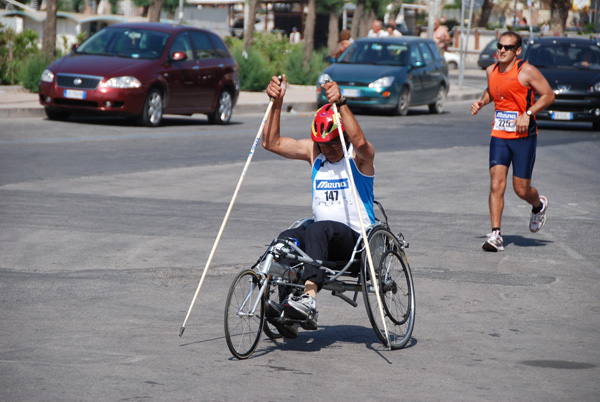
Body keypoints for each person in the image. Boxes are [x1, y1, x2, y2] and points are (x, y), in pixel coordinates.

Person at [263, 75, 375, 337]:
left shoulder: (358, 159)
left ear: (342, 135)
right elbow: (271, 143)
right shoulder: (317, 155)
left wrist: (342, 103)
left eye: (334, 142)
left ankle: (309, 300)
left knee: (317, 229)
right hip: (321, 237)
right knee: (287, 240)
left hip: (356, 242)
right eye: (323, 145)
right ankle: (288, 308)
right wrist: (277, 102)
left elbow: (360, 143)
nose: (329, 149)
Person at [471, 31, 555, 252]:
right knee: (496, 183)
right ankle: (496, 235)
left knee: (521, 189)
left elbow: (548, 95)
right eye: (500, 46)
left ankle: (538, 205)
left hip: (523, 137)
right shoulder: (491, 70)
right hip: (499, 134)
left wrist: (528, 113)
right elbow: (492, 90)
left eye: (507, 47)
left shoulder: (526, 71)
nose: (501, 50)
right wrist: (481, 102)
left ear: (517, 51)